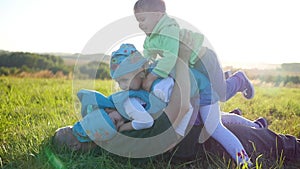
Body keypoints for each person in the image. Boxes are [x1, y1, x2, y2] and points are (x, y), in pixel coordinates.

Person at [133, 0, 254, 102]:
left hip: (204, 59)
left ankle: (239, 79)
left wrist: (152, 77)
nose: (140, 25)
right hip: (191, 64)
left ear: (157, 15)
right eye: (138, 21)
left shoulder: (168, 30)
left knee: (221, 95)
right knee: (201, 92)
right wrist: (143, 71)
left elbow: (171, 57)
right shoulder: (150, 39)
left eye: (142, 19)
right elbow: (148, 58)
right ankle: (223, 77)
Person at [109, 43, 193, 136]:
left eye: (125, 80)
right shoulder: (141, 88)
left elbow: (186, 106)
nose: (122, 86)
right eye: (118, 82)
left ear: (141, 72)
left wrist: (178, 133)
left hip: (205, 95)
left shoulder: (159, 87)